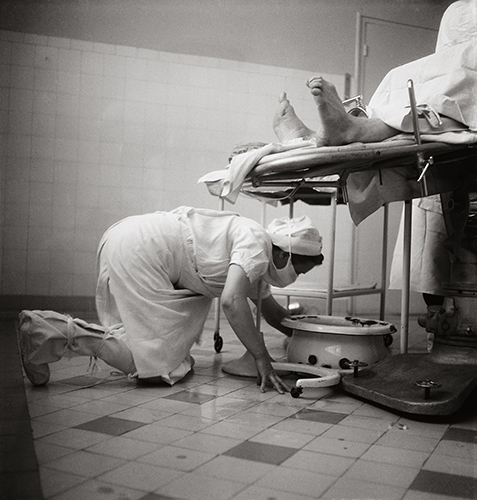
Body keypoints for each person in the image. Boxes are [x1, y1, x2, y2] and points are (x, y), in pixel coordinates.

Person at [271, 0, 476, 315]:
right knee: (421, 83)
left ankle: (346, 132)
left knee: (457, 84)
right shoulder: (459, 11)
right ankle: (337, 133)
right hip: (446, 134)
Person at [20, 206, 323, 394]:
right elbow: (232, 301)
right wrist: (262, 358)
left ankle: (49, 337)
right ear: (284, 252)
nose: (295, 276)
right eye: (298, 269)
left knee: (169, 357)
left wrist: (313, 334)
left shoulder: (255, 264)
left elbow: (273, 314)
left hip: (134, 239)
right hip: (146, 251)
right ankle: (45, 333)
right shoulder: (257, 245)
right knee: (158, 369)